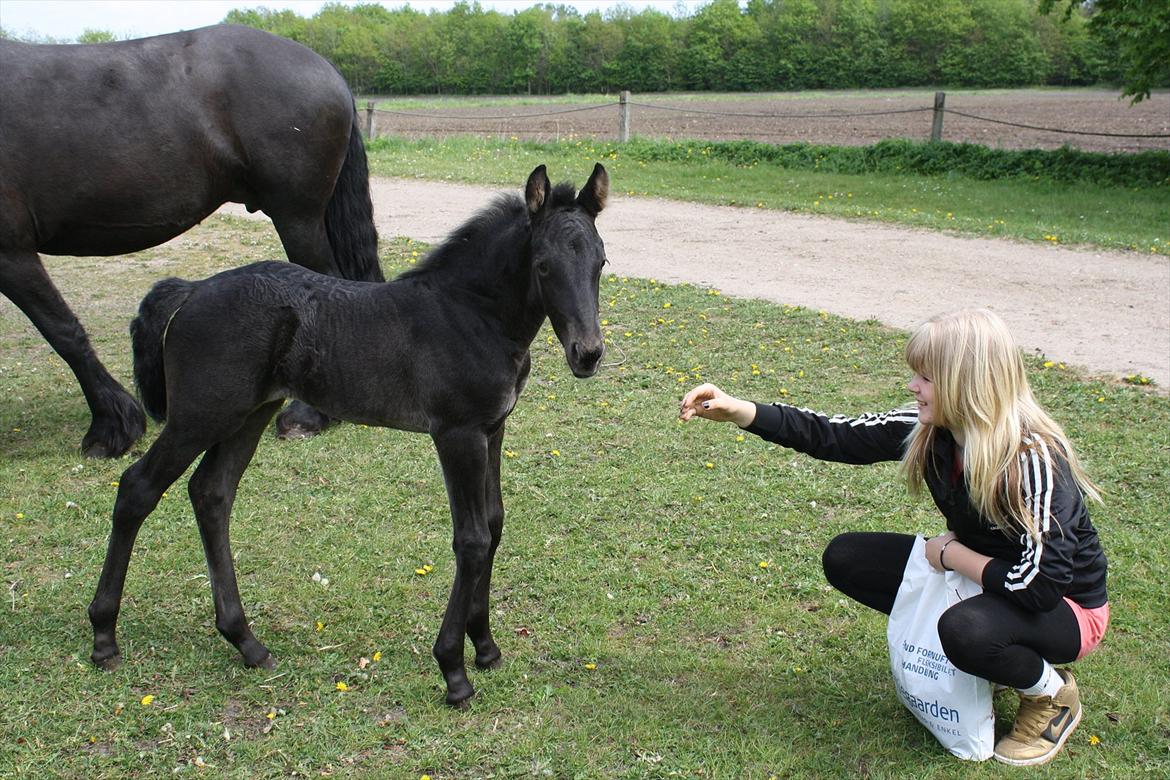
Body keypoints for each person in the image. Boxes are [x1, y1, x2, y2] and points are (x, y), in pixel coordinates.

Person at [678, 308, 1108, 766]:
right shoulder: (930, 428)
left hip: (1066, 608)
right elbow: (836, 435)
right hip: (988, 581)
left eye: (925, 377)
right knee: (847, 558)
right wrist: (740, 411)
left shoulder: (1033, 457)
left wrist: (953, 554)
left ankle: (1049, 694)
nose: (913, 386)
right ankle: (995, 653)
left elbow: (1042, 586)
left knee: (964, 631)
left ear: (967, 383)